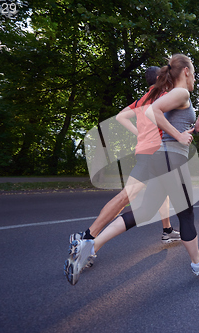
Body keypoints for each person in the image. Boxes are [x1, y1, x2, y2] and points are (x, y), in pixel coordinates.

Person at [65, 54, 199, 285]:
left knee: (144, 211)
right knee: (185, 214)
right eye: (194, 72)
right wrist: (179, 134)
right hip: (171, 161)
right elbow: (152, 114)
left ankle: (89, 246)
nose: (195, 78)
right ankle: (197, 261)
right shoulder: (181, 92)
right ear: (186, 71)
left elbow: (167, 127)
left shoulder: (171, 96)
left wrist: (191, 129)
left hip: (160, 159)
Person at [68, 66, 180, 247]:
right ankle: (87, 236)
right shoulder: (162, 97)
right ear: (160, 77)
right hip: (153, 154)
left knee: (162, 191)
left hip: (146, 152)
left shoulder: (142, 100)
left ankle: (167, 230)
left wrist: (139, 134)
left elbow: (121, 117)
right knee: (126, 197)